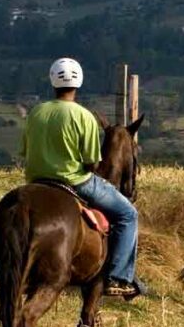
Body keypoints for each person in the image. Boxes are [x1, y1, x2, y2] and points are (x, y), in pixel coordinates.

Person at [22, 58, 143, 298]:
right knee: (128, 214)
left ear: (52, 80)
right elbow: (91, 162)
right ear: (79, 83)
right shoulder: (84, 116)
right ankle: (119, 277)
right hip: (75, 181)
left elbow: (25, 150)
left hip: (35, 180)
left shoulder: (36, 112)